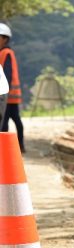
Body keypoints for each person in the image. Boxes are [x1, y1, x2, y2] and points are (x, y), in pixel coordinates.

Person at [0, 23, 24, 153]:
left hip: (7, 96)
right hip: (10, 95)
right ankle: (20, 146)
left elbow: (7, 75)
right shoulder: (3, 53)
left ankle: (6, 149)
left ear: (4, 39)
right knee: (15, 120)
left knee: (4, 123)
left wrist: (4, 92)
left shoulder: (6, 53)